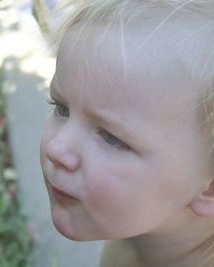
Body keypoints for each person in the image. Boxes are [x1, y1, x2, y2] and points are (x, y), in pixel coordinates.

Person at [39, 1, 214, 266]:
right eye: (61, 108)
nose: (56, 148)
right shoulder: (141, 230)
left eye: (111, 138)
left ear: (210, 189)